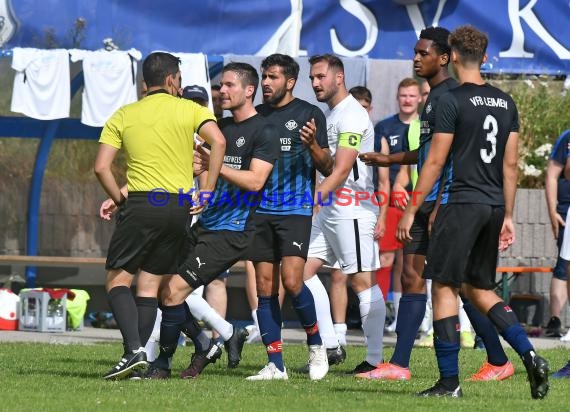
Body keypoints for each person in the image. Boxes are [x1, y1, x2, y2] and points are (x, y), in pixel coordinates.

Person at [396, 25, 549, 399]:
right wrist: (508, 215)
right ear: (484, 56)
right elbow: (510, 166)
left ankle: (449, 382)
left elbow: (434, 162)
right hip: (493, 204)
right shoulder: (505, 102)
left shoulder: (450, 100)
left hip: (459, 202)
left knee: (444, 286)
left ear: (453, 54)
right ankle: (529, 354)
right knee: (479, 288)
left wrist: (411, 208)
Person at [358, 26, 515, 383]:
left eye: (422, 53)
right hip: (426, 198)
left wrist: (441, 205)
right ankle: (400, 363)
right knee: (413, 277)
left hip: (444, 202)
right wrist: (391, 160)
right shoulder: (435, 98)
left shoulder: (454, 96)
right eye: (415, 52)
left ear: (446, 57)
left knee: (458, 284)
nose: (415, 58)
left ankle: (497, 357)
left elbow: (453, 159)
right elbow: (430, 152)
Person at [144, 62, 280, 380]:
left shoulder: (266, 130)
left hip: (234, 231)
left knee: (174, 292)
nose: (222, 91)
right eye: (220, 86)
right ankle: (210, 341)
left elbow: (256, 181)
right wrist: (200, 178)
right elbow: (206, 172)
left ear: (249, 90)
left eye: (229, 85)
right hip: (207, 223)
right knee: (165, 288)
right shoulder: (222, 129)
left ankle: (161, 364)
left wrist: (213, 165)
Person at [94, 52, 226, 380]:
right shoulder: (191, 109)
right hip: (179, 207)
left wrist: (117, 199)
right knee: (150, 283)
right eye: (179, 80)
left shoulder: (125, 114)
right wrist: (206, 191)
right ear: (171, 80)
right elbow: (219, 142)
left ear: (145, 83)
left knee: (117, 279)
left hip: (141, 204)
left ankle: (133, 351)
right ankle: (141, 362)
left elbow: (100, 167)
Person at [246, 53, 333, 381]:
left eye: (272, 77)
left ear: (290, 81)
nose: (265, 83)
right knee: (264, 287)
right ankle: (275, 365)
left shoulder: (310, 114)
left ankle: (316, 345)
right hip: (259, 211)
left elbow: (326, 167)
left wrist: (312, 146)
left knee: (293, 282)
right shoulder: (255, 115)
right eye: (264, 77)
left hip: (294, 210)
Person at [303, 54, 386, 375]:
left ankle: (376, 359)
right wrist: (312, 146)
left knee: (362, 282)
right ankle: (330, 344)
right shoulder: (331, 113)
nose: (315, 83)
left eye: (321, 77)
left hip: (351, 209)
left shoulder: (351, 114)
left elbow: (341, 169)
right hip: (330, 209)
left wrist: (315, 199)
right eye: (312, 78)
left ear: (339, 78)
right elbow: (326, 165)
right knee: (298, 273)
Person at [374, 78, 421, 333]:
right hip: (391, 198)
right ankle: (383, 312)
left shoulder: (426, 126)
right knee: (386, 258)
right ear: (397, 97)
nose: (407, 100)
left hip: (419, 197)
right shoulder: (385, 126)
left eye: (412, 96)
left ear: (419, 99)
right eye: (403, 95)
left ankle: (404, 315)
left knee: (410, 260)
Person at [545, 130, 570, 339]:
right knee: (564, 265)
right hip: (567, 211)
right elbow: (553, 174)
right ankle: (556, 320)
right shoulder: (567, 137)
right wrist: (553, 211)